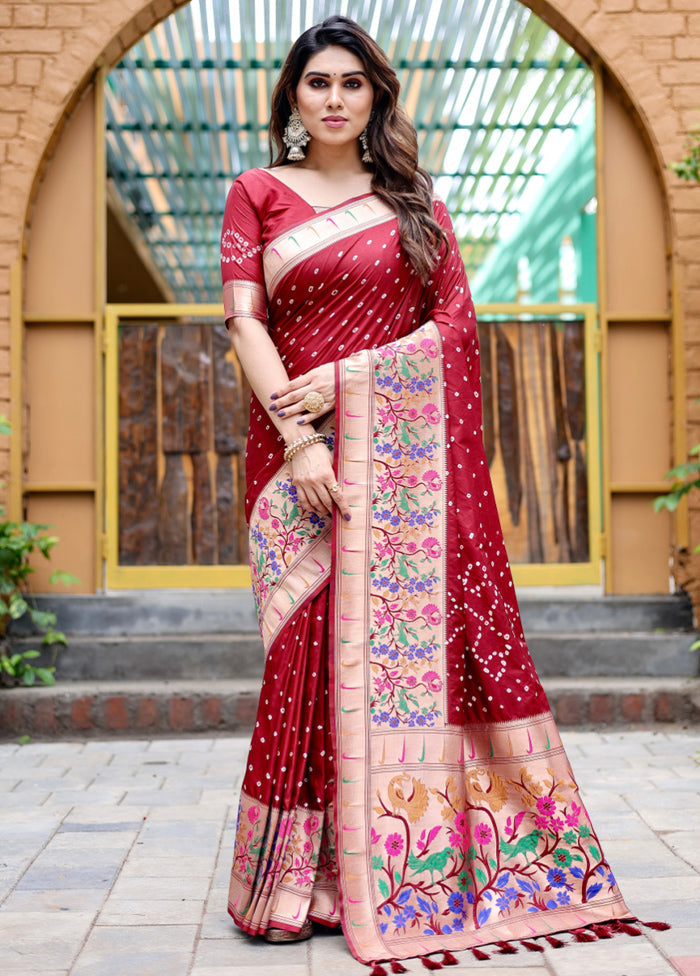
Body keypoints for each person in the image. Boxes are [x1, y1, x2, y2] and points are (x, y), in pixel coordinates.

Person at [220, 14, 640, 970]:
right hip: (297, 456)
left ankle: (388, 870)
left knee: (388, 664)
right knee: (305, 660)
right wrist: (300, 441)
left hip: (402, 470)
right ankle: (295, 882)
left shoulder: (412, 200)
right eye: (317, 82)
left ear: (376, 96)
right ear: (292, 93)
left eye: (352, 84)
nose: (333, 99)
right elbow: (244, 325)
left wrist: (347, 381)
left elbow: (455, 330)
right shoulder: (257, 194)